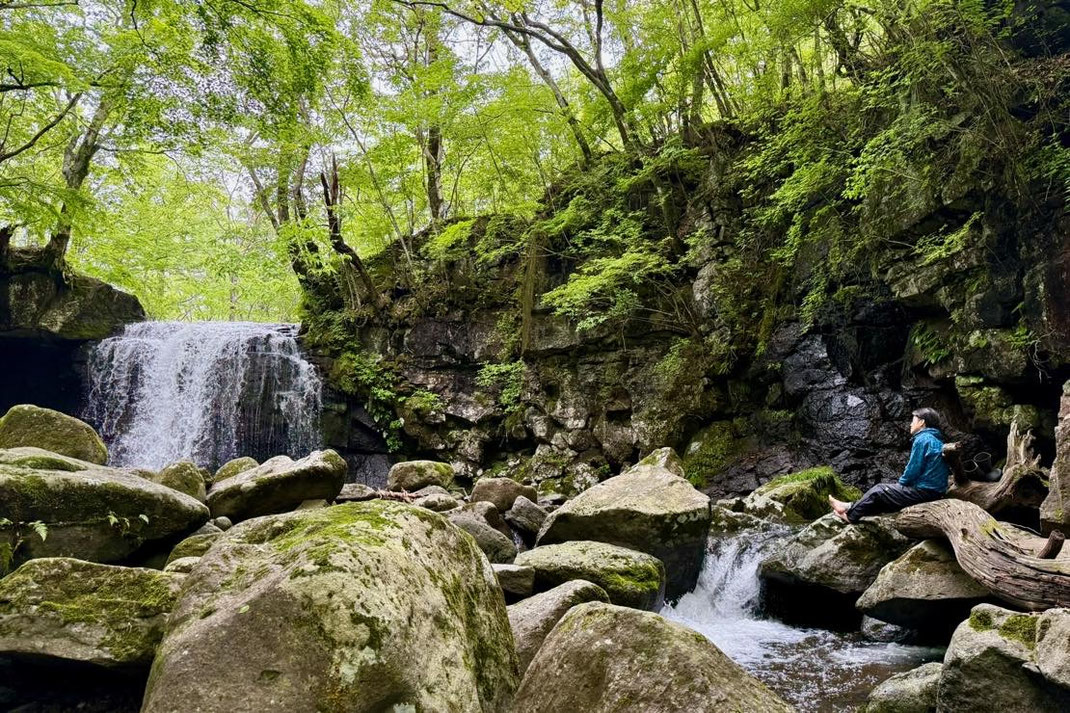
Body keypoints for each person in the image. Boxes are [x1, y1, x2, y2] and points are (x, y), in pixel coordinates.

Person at [829, 407, 950, 523]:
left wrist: (901, 485)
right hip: (933, 492)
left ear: (922, 422)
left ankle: (850, 516)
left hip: (925, 492)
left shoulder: (923, 439)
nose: (910, 424)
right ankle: (848, 506)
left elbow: (913, 469)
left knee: (879, 490)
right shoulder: (936, 440)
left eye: (913, 421)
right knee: (882, 498)